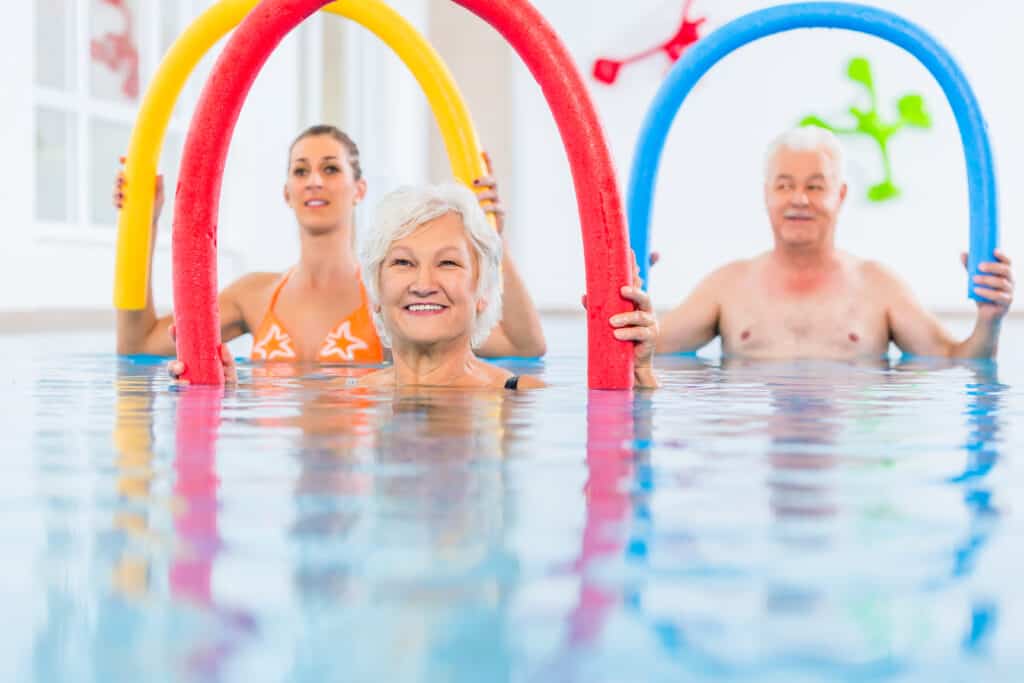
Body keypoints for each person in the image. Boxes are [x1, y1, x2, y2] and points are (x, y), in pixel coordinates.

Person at [115, 124, 546, 362]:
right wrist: (142, 226)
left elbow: (524, 348)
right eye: (300, 171)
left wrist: (489, 232)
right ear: (286, 191)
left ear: (359, 189)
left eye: (330, 169)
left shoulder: (393, 294)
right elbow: (139, 345)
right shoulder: (254, 295)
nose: (314, 180)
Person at [177, 182, 660, 389]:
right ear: (378, 297)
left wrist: (639, 383)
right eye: (403, 263)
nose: (423, 284)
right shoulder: (347, 396)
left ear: (482, 294)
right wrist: (213, 401)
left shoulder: (520, 397)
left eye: (448, 264)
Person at [655, 126, 1014, 360]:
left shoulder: (877, 285)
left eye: (814, 186)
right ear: (766, 195)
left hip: (844, 461)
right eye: (784, 186)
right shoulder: (728, 285)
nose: (799, 199)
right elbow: (646, 351)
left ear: (840, 195)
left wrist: (990, 319)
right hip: (755, 461)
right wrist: (621, 298)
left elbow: (959, 363)